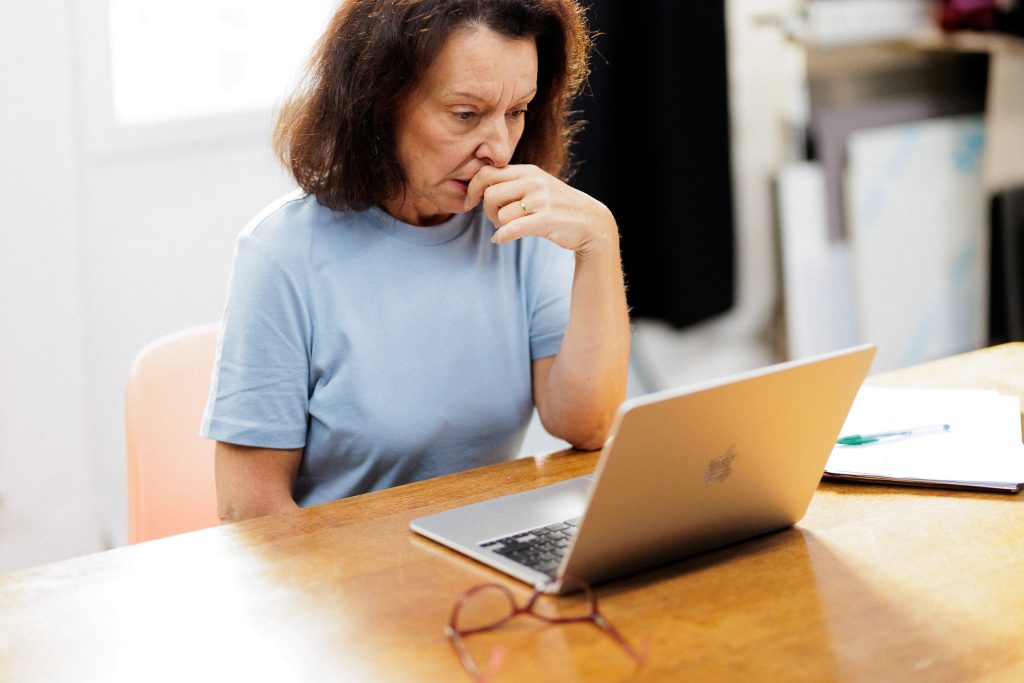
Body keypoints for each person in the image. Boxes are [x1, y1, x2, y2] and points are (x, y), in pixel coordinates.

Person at [201, 0, 630, 523]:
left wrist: (599, 243)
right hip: (338, 580)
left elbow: (587, 427)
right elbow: (248, 510)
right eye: (466, 114)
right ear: (381, 101)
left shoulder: (518, 226)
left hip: (477, 562)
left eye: (516, 112)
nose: (498, 148)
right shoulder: (283, 254)